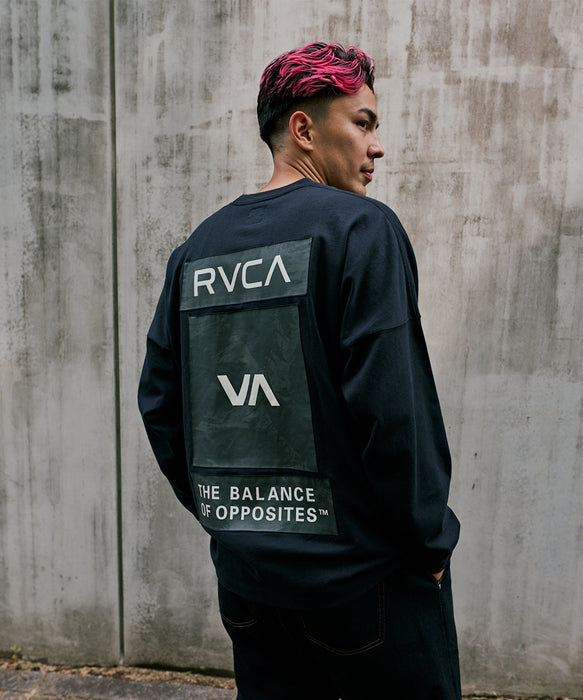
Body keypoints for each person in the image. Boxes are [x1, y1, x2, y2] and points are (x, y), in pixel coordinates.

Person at [138, 42, 461, 700]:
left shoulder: (197, 251)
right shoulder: (361, 230)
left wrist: (233, 524)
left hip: (250, 586)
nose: (377, 147)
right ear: (304, 129)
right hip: (363, 585)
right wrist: (429, 543)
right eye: (363, 123)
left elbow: (162, 405)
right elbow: (392, 410)